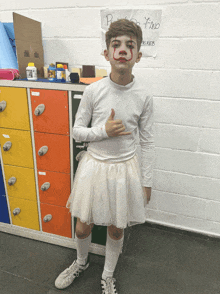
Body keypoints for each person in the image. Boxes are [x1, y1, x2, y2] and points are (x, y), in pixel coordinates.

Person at [55, 18, 155, 294]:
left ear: (138, 55)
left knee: (116, 228)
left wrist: (146, 181)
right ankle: (81, 261)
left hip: (125, 170)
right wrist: (104, 131)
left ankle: (107, 274)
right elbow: (77, 132)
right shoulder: (93, 91)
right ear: (106, 53)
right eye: (116, 44)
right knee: (83, 227)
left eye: (129, 45)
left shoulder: (144, 97)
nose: (122, 50)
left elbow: (147, 141)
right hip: (94, 167)